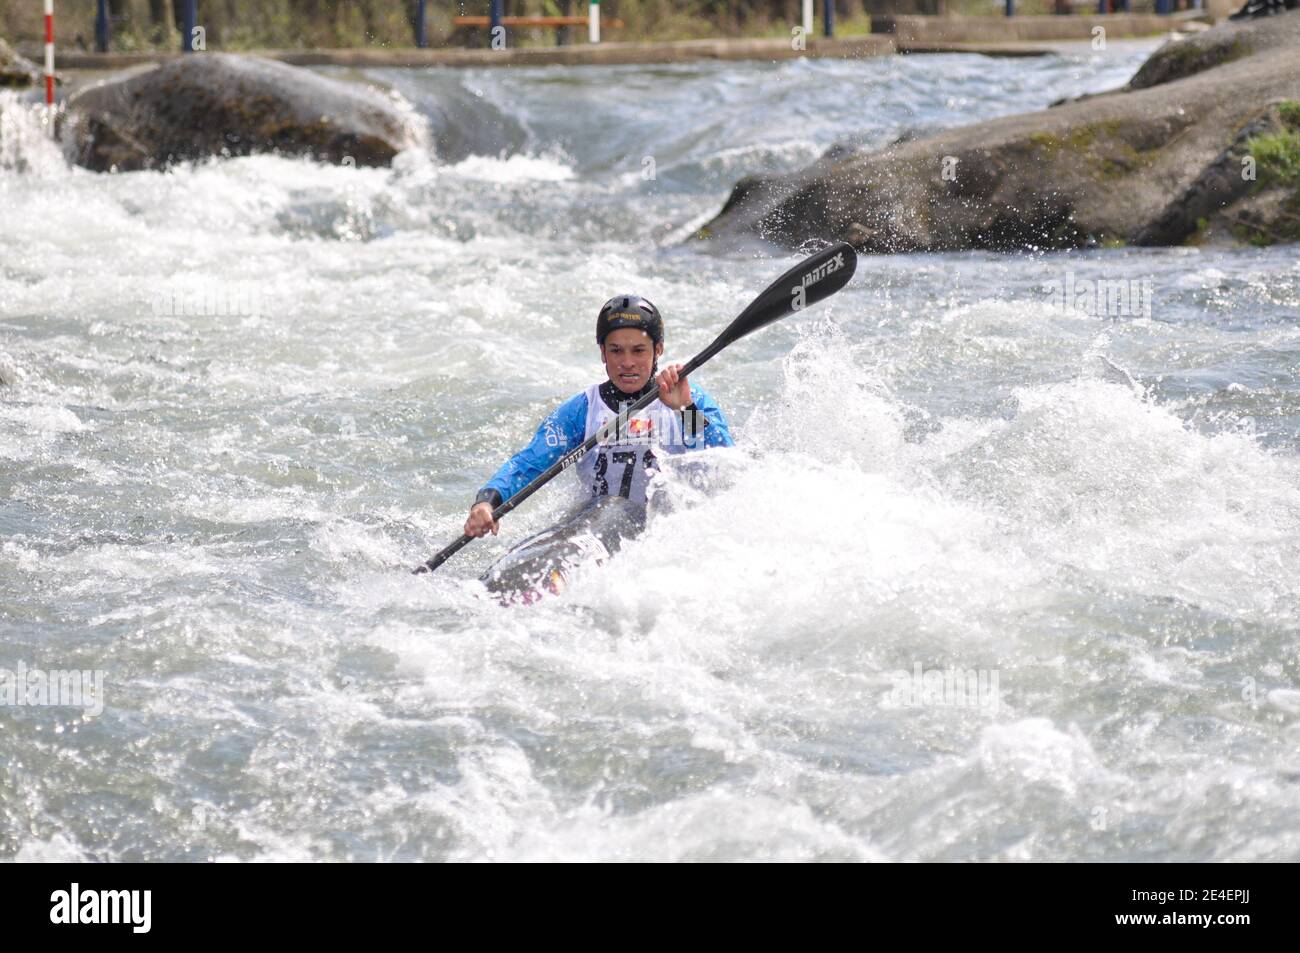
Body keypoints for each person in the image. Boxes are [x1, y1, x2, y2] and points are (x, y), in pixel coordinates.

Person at [464, 295, 733, 538]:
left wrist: (685, 409)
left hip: (667, 528)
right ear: (603, 352)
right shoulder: (582, 410)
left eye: (638, 350)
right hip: (598, 524)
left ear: (658, 350)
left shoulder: (687, 397)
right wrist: (487, 500)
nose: (627, 362)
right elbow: (528, 463)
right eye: (616, 350)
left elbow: (725, 462)